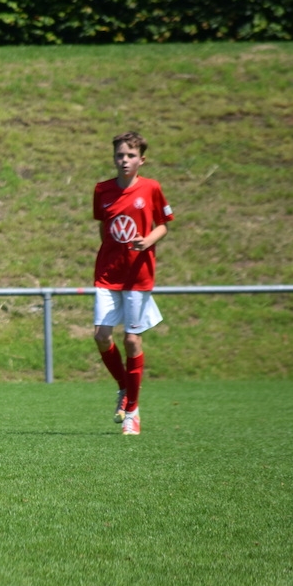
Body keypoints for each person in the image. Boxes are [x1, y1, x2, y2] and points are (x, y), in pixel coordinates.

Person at [92, 131, 174, 435]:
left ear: (141, 159)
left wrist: (147, 241)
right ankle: (124, 386)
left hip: (139, 274)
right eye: (119, 155)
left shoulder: (151, 188)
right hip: (108, 273)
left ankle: (132, 412)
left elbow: (163, 225)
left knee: (131, 340)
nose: (124, 160)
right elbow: (105, 228)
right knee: (101, 335)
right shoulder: (102, 190)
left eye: (130, 155)